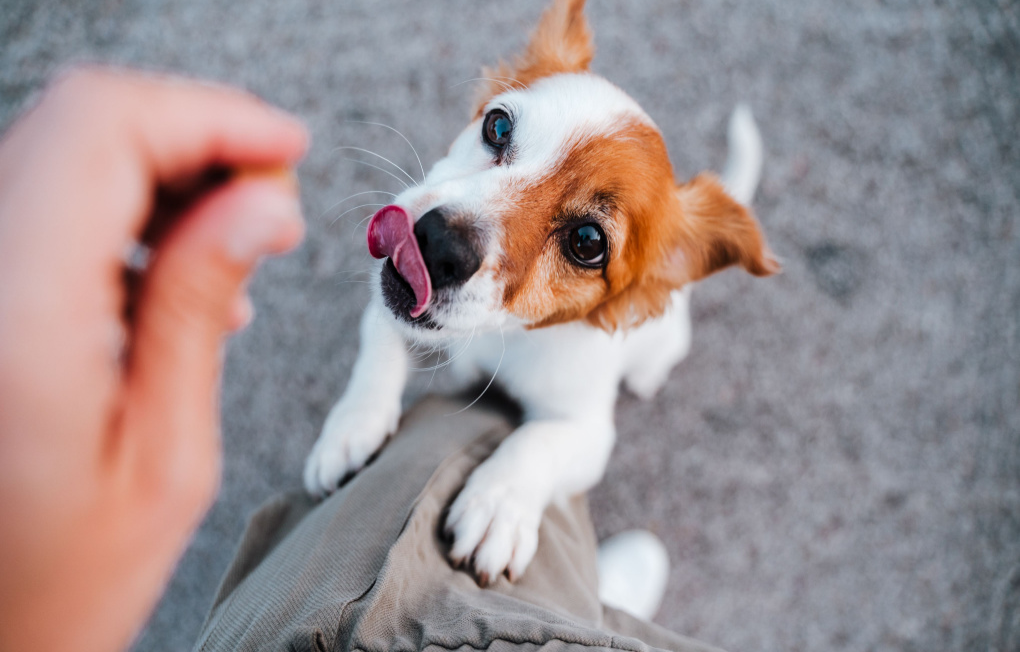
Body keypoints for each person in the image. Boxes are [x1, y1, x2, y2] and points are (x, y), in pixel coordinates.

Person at [0, 68, 720, 652]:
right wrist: (369, 394)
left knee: (647, 364)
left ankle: (577, 593)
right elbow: (389, 321)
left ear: (645, 280)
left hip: (598, 354)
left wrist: (524, 476)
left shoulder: (609, 331)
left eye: (584, 242)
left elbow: (585, 432)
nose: (454, 233)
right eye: (498, 132)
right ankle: (581, 612)